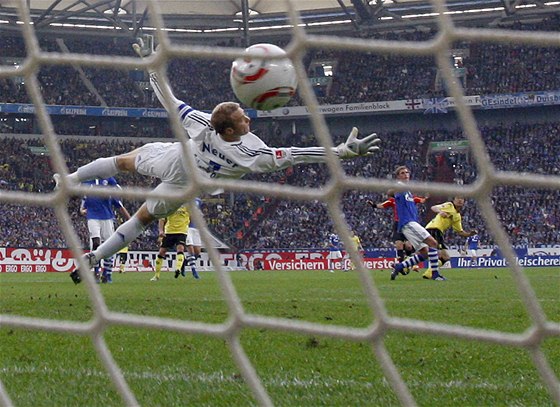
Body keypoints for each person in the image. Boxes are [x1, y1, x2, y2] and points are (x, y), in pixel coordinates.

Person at [60, 35, 381, 284]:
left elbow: (171, 103)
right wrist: (339, 151)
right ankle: (94, 253)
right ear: (229, 129)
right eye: (243, 118)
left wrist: (150, 65)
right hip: (187, 185)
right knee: (138, 211)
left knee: (123, 167)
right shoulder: (252, 154)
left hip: (174, 161)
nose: (249, 120)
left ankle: (75, 191)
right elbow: (296, 155)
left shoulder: (205, 124)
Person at [389, 166, 444, 281]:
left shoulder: (407, 191)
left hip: (412, 223)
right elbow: (391, 192)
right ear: (398, 176)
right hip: (408, 223)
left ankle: (400, 266)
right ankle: (435, 274)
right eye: (402, 173)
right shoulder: (400, 186)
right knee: (433, 243)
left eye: (407, 172)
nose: (406, 175)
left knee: (424, 253)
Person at [78, 177, 131, 284]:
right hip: (92, 217)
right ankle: (96, 273)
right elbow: (83, 205)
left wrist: (131, 221)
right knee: (96, 243)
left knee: (109, 247)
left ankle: (107, 273)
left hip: (107, 219)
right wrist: (82, 211)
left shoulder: (110, 183)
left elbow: (119, 206)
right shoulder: (87, 184)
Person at [423, 197, 477, 279]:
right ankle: (431, 273)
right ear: (454, 200)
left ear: (464, 202)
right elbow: (433, 207)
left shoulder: (457, 216)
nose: (459, 200)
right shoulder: (449, 205)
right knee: (442, 256)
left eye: (461, 199)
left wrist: (470, 234)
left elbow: (460, 232)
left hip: (438, 232)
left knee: (444, 257)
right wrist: (440, 212)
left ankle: (406, 267)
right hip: (434, 229)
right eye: (457, 198)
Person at [367, 192, 426, 267]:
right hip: (398, 224)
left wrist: (428, 197)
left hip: (409, 223)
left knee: (409, 246)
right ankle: (401, 264)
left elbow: (422, 201)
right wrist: (374, 205)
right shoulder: (392, 201)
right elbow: (382, 205)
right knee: (399, 245)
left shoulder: (410, 198)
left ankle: (409, 259)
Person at [150, 204, 190, 281]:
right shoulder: (169, 205)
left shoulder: (187, 205)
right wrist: (161, 231)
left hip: (182, 231)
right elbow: (162, 219)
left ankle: (178, 269)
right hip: (169, 232)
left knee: (180, 248)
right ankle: (156, 275)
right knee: (161, 252)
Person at [185, 197, 202, 279]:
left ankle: (183, 263)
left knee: (197, 252)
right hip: (186, 227)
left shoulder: (198, 201)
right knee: (190, 249)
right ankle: (194, 271)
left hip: (196, 228)